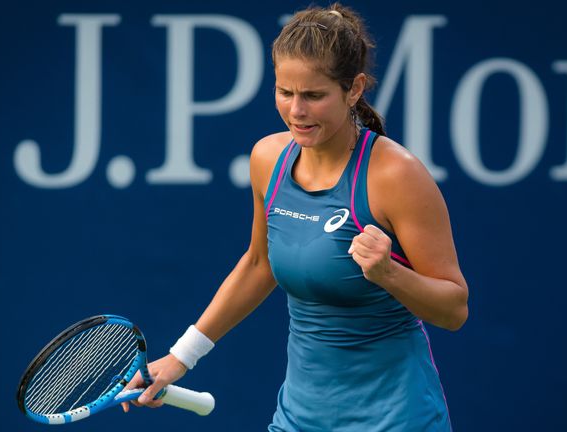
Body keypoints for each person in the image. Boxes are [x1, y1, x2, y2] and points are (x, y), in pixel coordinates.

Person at [122, 3, 468, 431]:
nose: (296, 111)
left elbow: (454, 309)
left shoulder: (396, 176)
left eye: (314, 95)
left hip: (397, 418)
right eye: (285, 92)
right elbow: (258, 264)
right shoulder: (268, 158)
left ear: (354, 88)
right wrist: (181, 356)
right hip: (299, 418)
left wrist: (390, 274)